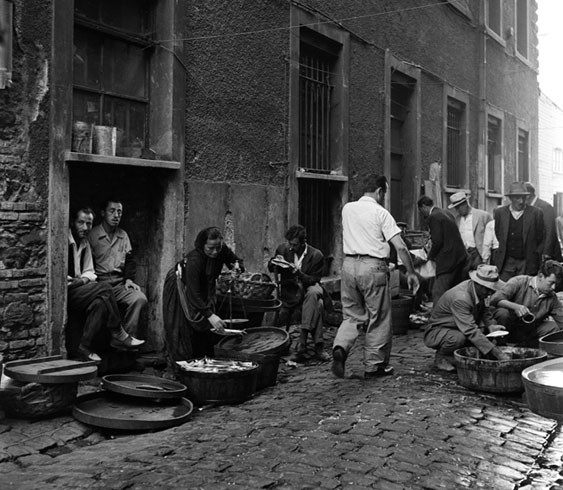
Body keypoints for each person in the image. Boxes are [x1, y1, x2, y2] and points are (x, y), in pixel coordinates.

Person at [331, 175, 419, 379]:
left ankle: (341, 348)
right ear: (380, 191)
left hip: (349, 264)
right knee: (378, 317)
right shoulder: (382, 213)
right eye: (384, 193)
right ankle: (374, 365)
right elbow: (401, 247)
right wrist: (411, 272)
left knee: (351, 315)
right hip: (373, 267)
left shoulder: (348, 209)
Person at [67, 207, 144, 362]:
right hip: (66, 292)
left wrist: (82, 280)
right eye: (81, 223)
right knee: (105, 288)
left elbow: (89, 272)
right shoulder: (65, 241)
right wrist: (81, 281)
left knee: (100, 303)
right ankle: (118, 332)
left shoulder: (84, 243)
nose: (85, 227)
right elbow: (65, 279)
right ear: (72, 222)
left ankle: (84, 346)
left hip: (82, 288)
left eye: (88, 224)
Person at [162, 226, 244, 361]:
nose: (215, 252)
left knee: (205, 323)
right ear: (202, 245)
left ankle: (204, 357)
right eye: (210, 248)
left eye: (218, 247)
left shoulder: (221, 250)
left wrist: (237, 268)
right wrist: (211, 316)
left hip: (204, 284)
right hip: (181, 284)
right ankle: (181, 362)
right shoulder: (195, 260)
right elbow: (193, 294)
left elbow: (235, 261)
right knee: (181, 325)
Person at [424, 264, 510, 372]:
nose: (490, 292)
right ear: (477, 284)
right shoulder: (461, 297)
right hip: (440, 330)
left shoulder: (481, 292)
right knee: (458, 338)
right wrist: (497, 353)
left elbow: (485, 311)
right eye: (487, 289)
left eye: (492, 289)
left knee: (479, 338)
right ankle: (442, 356)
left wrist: (491, 325)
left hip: (460, 325)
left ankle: (457, 354)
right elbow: (470, 330)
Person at [268, 225, 329, 362]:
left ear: (303, 243)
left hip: (308, 288)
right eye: (289, 243)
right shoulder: (283, 249)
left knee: (314, 291)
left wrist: (298, 273)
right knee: (318, 304)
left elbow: (314, 280)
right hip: (290, 292)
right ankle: (317, 347)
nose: (291, 247)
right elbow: (271, 267)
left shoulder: (316, 255)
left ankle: (302, 339)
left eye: (294, 245)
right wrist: (275, 262)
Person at [88, 198, 148, 338]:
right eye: (112, 211)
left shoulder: (123, 235)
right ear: (103, 213)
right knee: (100, 307)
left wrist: (129, 280)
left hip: (119, 284)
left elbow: (130, 260)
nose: (116, 215)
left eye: (119, 212)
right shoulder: (92, 235)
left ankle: (126, 340)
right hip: (99, 285)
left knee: (140, 299)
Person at [489, 259, 563, 347]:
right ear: (540, 276)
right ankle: (500, 345)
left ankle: (525, 348)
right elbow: (494, 299)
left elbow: (561, 319)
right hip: (507, 328)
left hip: (527, 332)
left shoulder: (552, 298)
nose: (553, 287)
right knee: (502, 313)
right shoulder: (519, 281)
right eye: (551, 283)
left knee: (554, 327)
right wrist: (515, 307)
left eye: (556, 284)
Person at [417, 196, 468, 303]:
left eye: (421, 211)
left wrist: (430, 257)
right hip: (460, 257)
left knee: (438, 291)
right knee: (454, 289)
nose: (423, 214)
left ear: (424, 207)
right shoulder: (446, 213)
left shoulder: (433, 217)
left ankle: (437, 316)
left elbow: (438, 241)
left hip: (448, 259)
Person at [493, 181, 544, 282]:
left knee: (524, 288)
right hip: (507, 261)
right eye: (517, 198)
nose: (521, 201)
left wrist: (533, 252)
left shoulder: (536, 213)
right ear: (511, 198)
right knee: (505, 287)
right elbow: (499, 234)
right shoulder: (500, 213)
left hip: (527, 261)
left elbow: (540, 237)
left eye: (523, 198)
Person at [448, 192, 492, 271]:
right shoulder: (457, 219)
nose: (457, 210)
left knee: (480, 277)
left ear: (465, 204)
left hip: (478, 253)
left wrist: (487, 256)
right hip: (464, 254)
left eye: (458, 207)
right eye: (455, 208)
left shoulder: (483, 216)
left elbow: (493, 235)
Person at [525, 182, 563, 261]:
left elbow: (550, 232)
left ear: (528, 195)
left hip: (546, 255)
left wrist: (546, 253)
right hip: (533, 254)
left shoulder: (545, 207)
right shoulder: (526, 208)